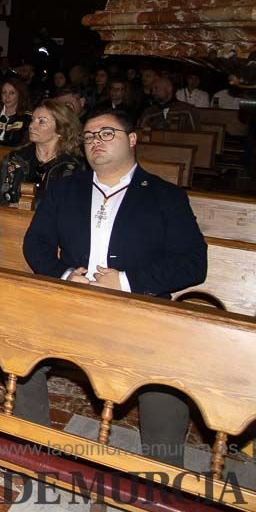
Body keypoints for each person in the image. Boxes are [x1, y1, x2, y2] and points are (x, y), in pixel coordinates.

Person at [16, 110, 207, 467]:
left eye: (107, 133)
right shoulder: (66, 190)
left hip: (139, 310)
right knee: (19, 346)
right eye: (89, 136)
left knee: (167, 377)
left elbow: (194, 262)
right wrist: (65, 273)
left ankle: (162, 473)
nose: (96, 142)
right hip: (75, 303)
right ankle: (36, 455)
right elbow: (35, 244)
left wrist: (126, 280)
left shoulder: (165, 196)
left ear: (132, 140)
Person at [0, 100, 85, 206]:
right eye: (32, 120)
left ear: (60, 129)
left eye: (41, 121)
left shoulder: (73, 165)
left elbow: (75, 207)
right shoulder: (16, 158)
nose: (31, 126)